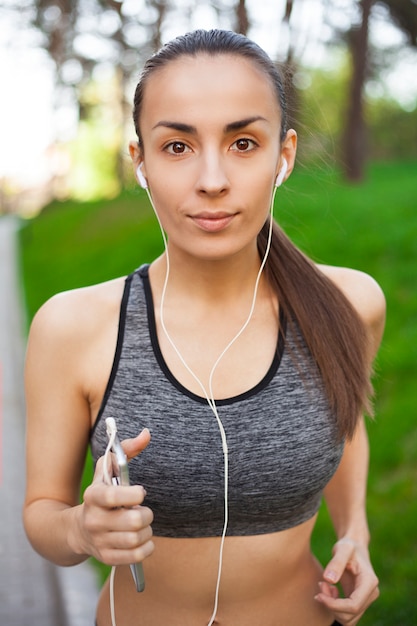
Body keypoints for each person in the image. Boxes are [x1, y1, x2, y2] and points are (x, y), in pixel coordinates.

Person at [23, 29, 385, 626]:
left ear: (284, 156)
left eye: (244, 143)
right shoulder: (74, 327)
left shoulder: (349, 303)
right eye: (177, 147)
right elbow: (43, 514)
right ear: (139, 161)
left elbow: (343, 429)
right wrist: (82, 529)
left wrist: (356, 531)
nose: (212, 179)